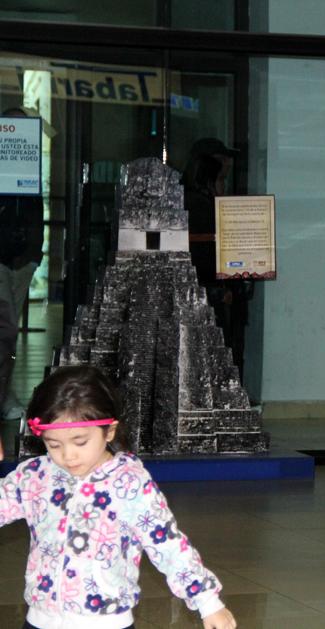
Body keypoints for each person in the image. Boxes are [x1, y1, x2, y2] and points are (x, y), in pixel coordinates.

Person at [0, 365, 237, 629]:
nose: (68, 456)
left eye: (80, 442)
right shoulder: (36, 476)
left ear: (109, 431)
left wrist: (208, 601)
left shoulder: (129, 483)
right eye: (53, 444)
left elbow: (168, 545)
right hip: (41, 620)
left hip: (107, 622)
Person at [181, 138, 252, 380]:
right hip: (208, 295)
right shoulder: (199, 205)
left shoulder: (198, 201)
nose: (227, 165)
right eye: (221, 162)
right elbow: (205, 254)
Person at [0, 106, 44, 422]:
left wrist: (32, 253)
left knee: (8, 331)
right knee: (7, 329)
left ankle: (5, 393)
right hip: (4, 258)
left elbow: (33, 212)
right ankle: (4, 395)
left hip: (22, 260)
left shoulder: (31, 168)